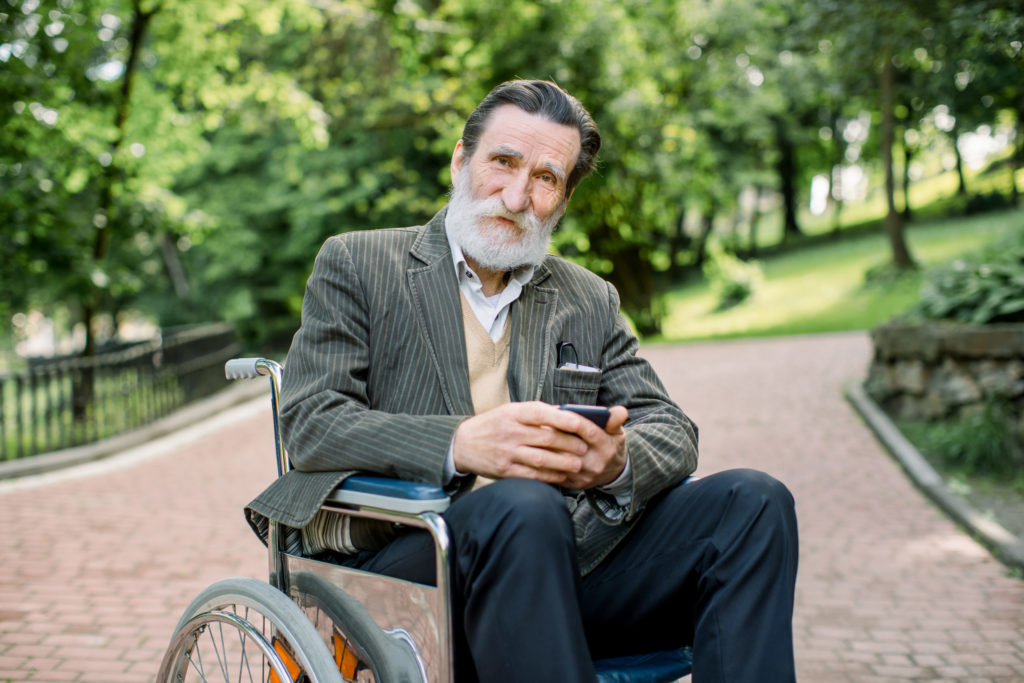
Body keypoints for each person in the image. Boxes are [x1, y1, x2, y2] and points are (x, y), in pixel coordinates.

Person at [247, 79, 798, 682]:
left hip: (569, 564)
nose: (516, 196)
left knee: (754, 500)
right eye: (503, 163)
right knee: (525, 505)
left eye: (545, 178)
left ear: (561, 200)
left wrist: (613, 465)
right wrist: (461, 443)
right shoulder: (359, 263)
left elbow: (669, 427)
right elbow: (313, 422)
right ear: (462, 161)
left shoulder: (587, 298)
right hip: (411, 563)